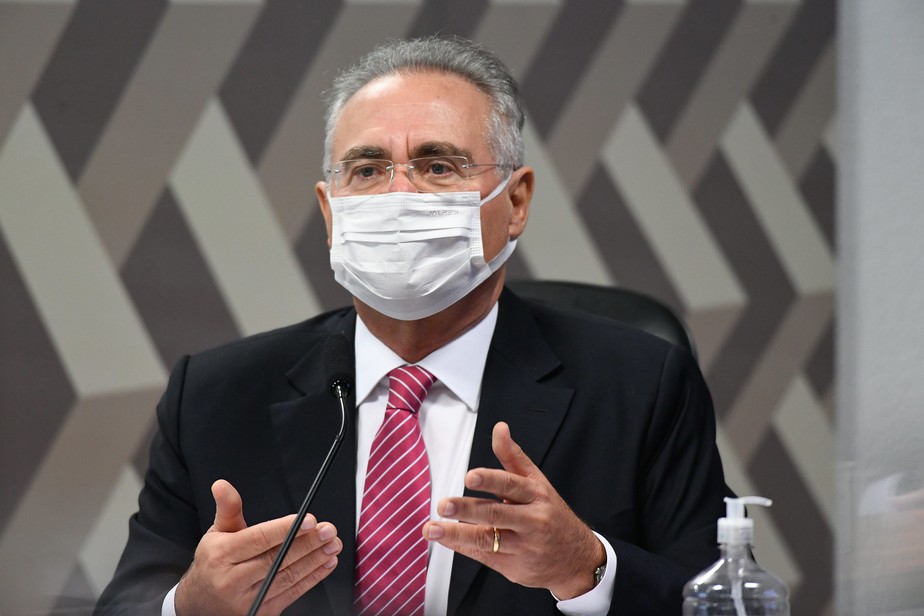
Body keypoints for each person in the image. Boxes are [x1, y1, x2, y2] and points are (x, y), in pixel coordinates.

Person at [95, 36, 733, 615]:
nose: (398, 196)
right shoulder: (215, 395)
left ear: (515, 202)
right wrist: (191, 607)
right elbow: (127, 603)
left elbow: (724, 602)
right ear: (330, 211)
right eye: (367, 170)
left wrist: (588, 569)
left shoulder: (641, 385)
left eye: (438, 166)